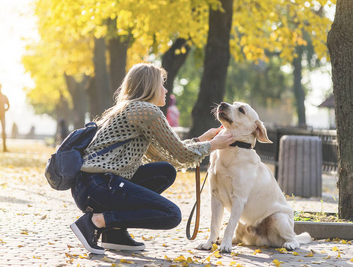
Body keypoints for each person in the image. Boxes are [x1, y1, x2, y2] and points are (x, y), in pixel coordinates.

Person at [69, 63, 235, 255]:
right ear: (149, 87)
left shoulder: (129, 109)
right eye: (162, 85)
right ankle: (96, 222)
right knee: (171, 214)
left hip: (90, 186)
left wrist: (201, 140)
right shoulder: (146, 111)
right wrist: (214, 145)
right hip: (99, 184)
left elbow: (168, 155)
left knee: (164, 172)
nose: (166, 90)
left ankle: (113, 233)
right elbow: (181, 154)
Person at [0, 83, 10, 151]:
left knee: (3, 131)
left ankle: (4, 148)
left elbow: (8, 105)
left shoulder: (4, 96)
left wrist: (5, 110)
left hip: (2, 115)